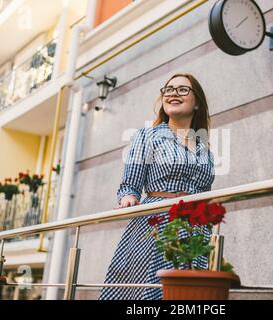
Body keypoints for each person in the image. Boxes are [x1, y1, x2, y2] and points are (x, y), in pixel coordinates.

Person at [99, 73, 215, 300]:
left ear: (197, 102)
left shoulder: (204, 149)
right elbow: (129, 186)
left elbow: (205, 194)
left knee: (188, 297)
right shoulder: (147, 136)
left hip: (194, 231)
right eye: (169, 89)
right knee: (150, 294)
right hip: (157, 225)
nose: (173, 93)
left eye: (183, 90)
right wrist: (128, 199)